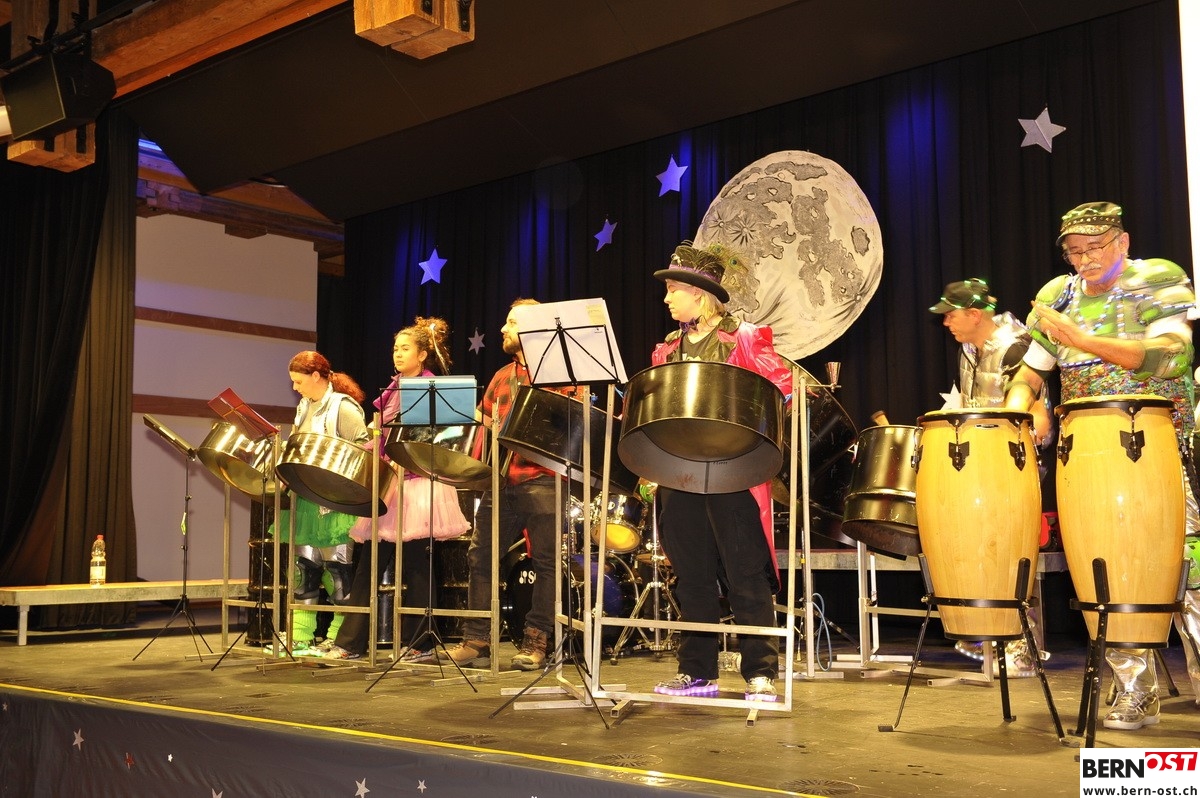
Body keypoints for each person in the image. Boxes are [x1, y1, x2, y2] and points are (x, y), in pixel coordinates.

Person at [1005, 201, 1200, 730]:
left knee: (1187, 567)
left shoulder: (1156, 279)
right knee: (1108, 569)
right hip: (1088, 456)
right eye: (1074, 250)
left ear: (1123, 241)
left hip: (1163, 447)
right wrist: (1020, 410)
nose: (1084, 258)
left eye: (1095, 246)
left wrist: (1084, 341)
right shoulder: (1058, 296)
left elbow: (1173, 356)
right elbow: (1031, 373)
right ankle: (1134, 689)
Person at [647, 242, 792, 701]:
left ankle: (760, 672)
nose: (667, 298)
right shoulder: (666, 350)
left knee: (745, 574)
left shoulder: (744, 338)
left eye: (673, 289)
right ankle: (697, 671)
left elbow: (781, 387)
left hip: (733, 471)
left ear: (699, 293)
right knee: (691, 575)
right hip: (679, 471)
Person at [439, 298, 588, 671]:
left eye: (511, 322)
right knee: (480, 557)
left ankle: (536, 641)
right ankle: (477, 640)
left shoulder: (564, 373)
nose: (503, 329)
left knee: (546, 563)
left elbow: (575, 426)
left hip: (543, 480)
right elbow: (483, 426)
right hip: (501, 480)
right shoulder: (501, 376)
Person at [324, 318, 471, 661]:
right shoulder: (391, 389)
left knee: (418, 566)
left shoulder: (432, 389)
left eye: (406, 348)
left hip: (419, 483)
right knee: (369, 565)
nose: (398, 354)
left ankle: (419, 642)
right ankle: (351, 642)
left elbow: (446, 436)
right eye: (395, 348)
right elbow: (380, 436)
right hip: (391, 483)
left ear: (422, 355)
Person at [929, 278, 1052, 674]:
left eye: (951, 315)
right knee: (981, 547)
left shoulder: (1016, 347)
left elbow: (1037, 417)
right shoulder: (968, 350)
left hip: (1013, 462)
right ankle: (987, 632)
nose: (946, 322)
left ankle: (1024, 650)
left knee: (1014, 552)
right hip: (980, 463)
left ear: (974, 314)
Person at [271, 351, 369, 654]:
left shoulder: (343, 407)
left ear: (316, 376)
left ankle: (339, 638)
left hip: (334, 502)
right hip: (306, 499)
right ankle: (300, 635)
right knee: (304, 569)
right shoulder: (303, 407)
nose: (295, 387)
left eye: (298, 381)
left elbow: (364, 450)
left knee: (337, 572)